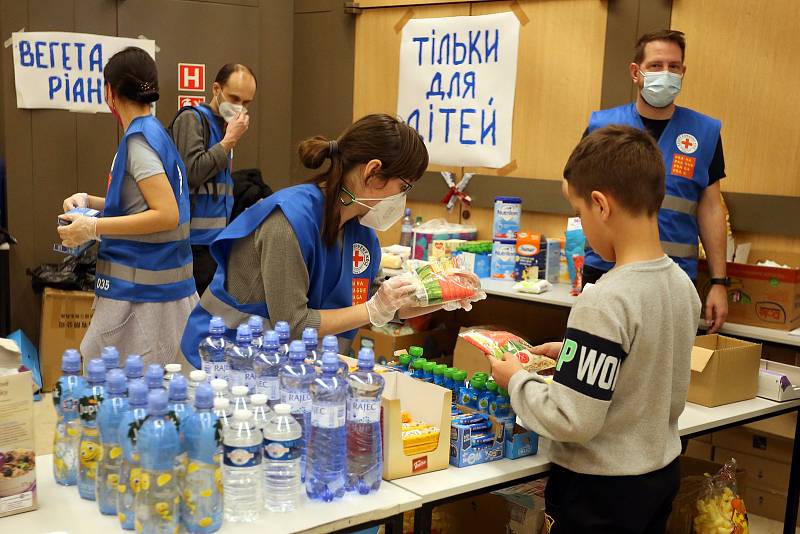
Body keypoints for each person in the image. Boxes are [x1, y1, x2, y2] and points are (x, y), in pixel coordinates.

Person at [489, 126, 701, 534]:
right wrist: (572, 353)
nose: (582, 228)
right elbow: (643, 369)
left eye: (580, 214)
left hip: (599, 492)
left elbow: (572, 420)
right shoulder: (681, 285)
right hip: (658, 476)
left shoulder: (604, 299)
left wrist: (515, 381)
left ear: (601, 206)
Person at [180, 114, 484, 367]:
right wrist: (373, 309)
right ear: (373, 172)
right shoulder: (288, 221)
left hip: (286, 367)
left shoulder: (361, 233)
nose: (401, 199)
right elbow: (295, 325)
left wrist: (439, 293)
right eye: (402, 186)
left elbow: (382, 302)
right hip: (222, 361)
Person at [581, 30, 729, 333]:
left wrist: (719, 282)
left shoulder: (705, 132)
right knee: (598, 367)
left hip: (674, 279)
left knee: (660, 371)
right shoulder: (603, 127)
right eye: (656, 65)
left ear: (683, 72)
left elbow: (711, 208)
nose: (666, 73)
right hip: (607, 272)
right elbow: (575, 191)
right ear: (636, 72)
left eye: (674, 67)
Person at [59, 47, 198, 367]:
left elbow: (165, 214)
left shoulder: (138, 142)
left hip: (143, 298)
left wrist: (92, 227)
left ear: (109, 91)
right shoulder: (154, 134)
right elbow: (141, 205)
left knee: (119, 393)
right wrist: (88, 202)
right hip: (158, 292)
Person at [170, 63, 257, 294]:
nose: (239, 107)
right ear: (216, 89)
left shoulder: (224, 127)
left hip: (215, 242)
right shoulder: (192, 119)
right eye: (234, 98)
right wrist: (228, 141)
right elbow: (192, 173)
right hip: (191, 245)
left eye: (246, 103)